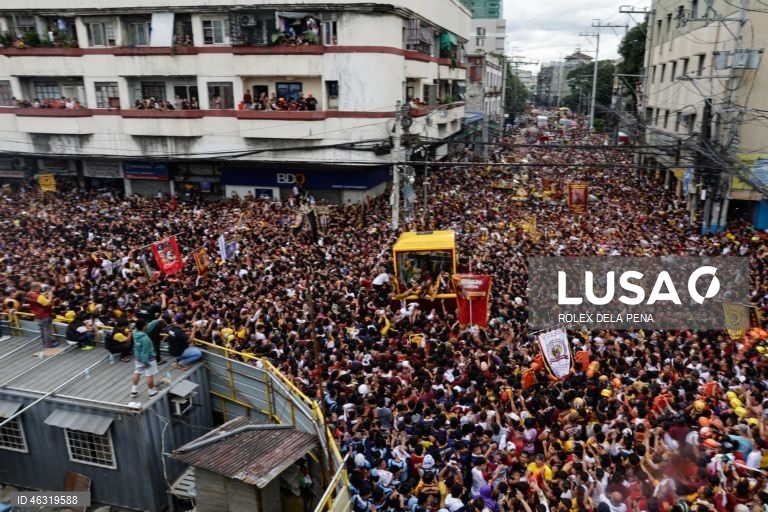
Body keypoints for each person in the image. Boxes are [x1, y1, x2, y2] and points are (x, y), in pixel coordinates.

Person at [130, 319, 158, 398]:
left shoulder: (135, 333)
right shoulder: (145, 339)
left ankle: (133, 391)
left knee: (137, 372)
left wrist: (156, 321)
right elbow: (145, 352)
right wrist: (146, 363)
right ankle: (151, 392)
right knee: (149, 375)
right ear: (143, 327)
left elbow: (149, 326)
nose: (147, 326)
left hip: (138, 358)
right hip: (148, 359)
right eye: (146, 325)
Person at [25, 282, 57, 348]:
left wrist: (44, 294)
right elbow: (47, 303)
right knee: (47, 330)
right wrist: (50, 295)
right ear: (37, 288)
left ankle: (45, 342)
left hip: (37, 314)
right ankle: (48, 344)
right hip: (45, 314)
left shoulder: (29, 293)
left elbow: (39, 299)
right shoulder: (38, 297)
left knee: (42, 329)